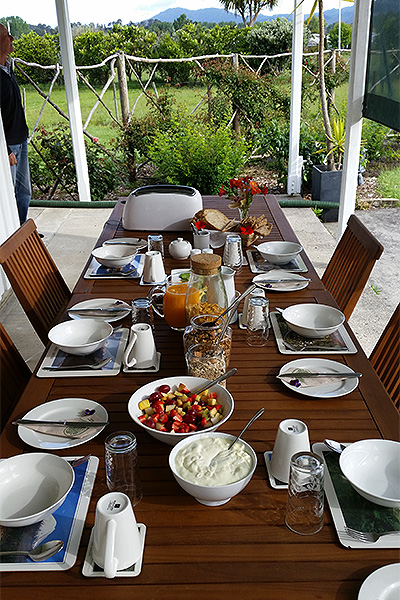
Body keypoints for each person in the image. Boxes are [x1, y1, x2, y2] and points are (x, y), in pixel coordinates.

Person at [0, 23, 32, 225]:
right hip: (9, 145)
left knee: (24, 192)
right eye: (6, 36)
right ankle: (11, 237)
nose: (11, 39)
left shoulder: (8, 68)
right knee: (8, 195)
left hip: (20, 139)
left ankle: (22, 232)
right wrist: (5, 150)